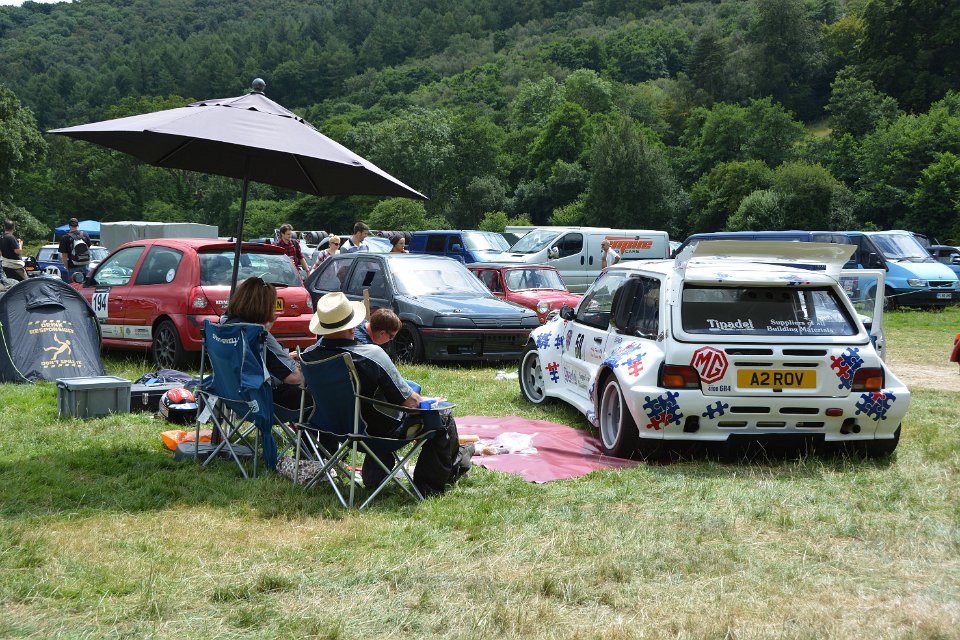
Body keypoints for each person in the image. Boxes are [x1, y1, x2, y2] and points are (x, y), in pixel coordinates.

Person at [301, 292, 469, 497]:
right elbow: (408, 402)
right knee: (441, 417)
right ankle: (429, 487)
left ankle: (376, 479)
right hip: (374, 434)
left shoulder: (307, 358)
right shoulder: (371, 354)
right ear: (353, 325)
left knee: (378, 412)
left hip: (330, 429)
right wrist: (429, 402)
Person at [221, 277, 304, 411]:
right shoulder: (257, 334)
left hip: (229, 396)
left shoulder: (225, 326)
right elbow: (293, 378)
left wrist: (284, 357)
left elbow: (250, 359)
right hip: (261, 400)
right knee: (315, 391)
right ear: (265, 306)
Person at [58, 217, 92, 282]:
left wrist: (67, 267)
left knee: (74, 289)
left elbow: (64, 255)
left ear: (69, 226)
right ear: (78, 225)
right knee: (86, 287)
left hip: (73, 266)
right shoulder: (85, 234)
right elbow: (88, 248)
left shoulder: (65, 237)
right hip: (85, 265)